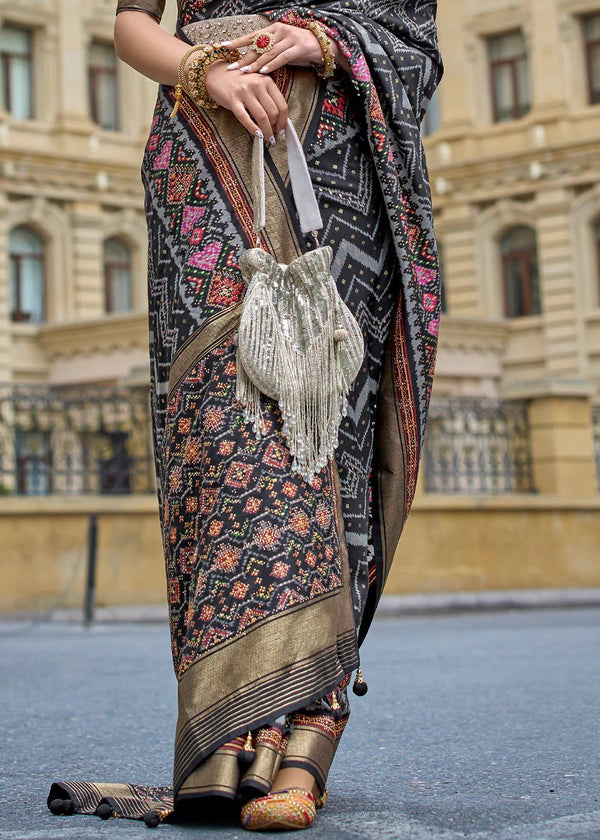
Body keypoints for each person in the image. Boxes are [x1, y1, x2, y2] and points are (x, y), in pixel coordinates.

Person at [47, 0, 442, 831]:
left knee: (327, 430)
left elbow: (415, 41)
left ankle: (310, 732)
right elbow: (130, 25)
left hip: (336, 160)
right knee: (224, 444)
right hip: (204, 165)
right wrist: (207, 74)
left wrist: (325, 42)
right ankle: (232, 732)